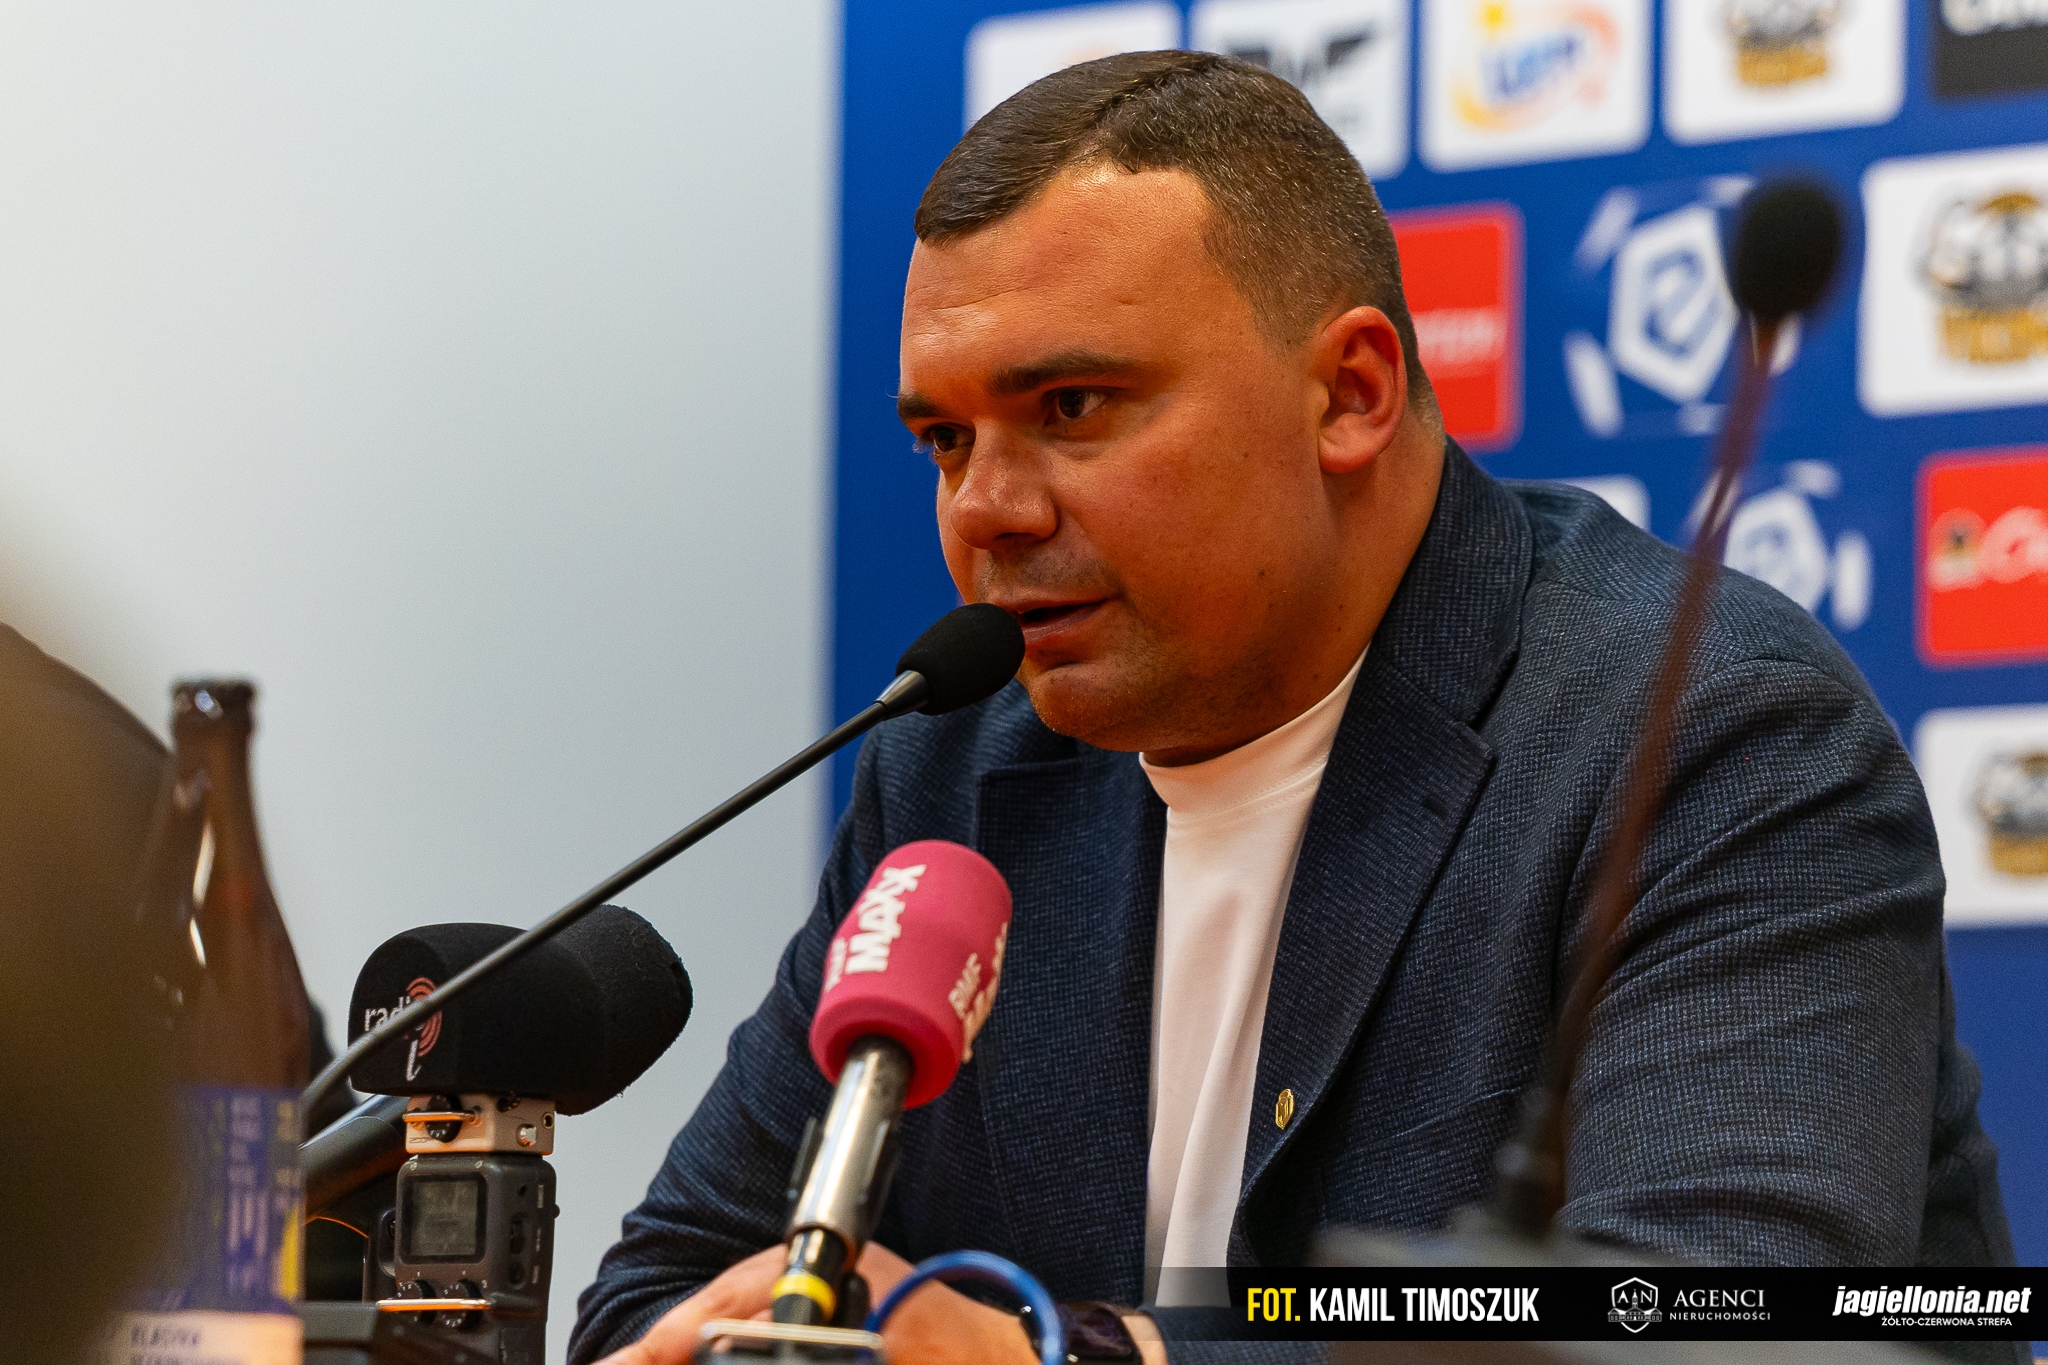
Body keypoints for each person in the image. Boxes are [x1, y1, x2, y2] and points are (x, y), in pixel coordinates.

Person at [571, 51, 2018, 1365]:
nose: (985, 512)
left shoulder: (1705, 733)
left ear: (1350, 392)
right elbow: (667, 1285)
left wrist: (1082, 1358)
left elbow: (1701, 1325)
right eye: (946, 439)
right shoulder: (953, 767)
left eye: (1071, 407)